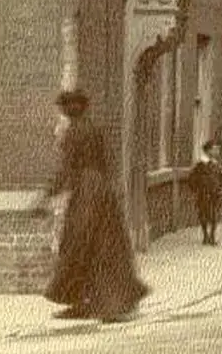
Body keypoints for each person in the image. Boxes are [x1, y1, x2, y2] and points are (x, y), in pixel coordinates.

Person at [35, 89, 148, 323]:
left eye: (65, 107)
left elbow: (66, 169)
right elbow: (106, 163)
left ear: (70, 108)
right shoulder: (94, 129)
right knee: (106, 248)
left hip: (86, 194)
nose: (64, 112)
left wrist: (46, 196)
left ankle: (93, 303)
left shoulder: (74, 132)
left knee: (78, 245)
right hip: (102, 194)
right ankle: (99, 302)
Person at [188, 139, 222, 246]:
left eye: (218, 149)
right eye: (214, 149)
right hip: (203, 194)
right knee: (203, 214)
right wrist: (197, 190)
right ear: (208, 151)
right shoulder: (200, 165)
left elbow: (220, 178)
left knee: (214, 215)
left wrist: (221, 188)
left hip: (215, 193)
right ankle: (205, 235)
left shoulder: (216, 164)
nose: (217, 151)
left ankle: (212, 236)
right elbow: (192, 179)